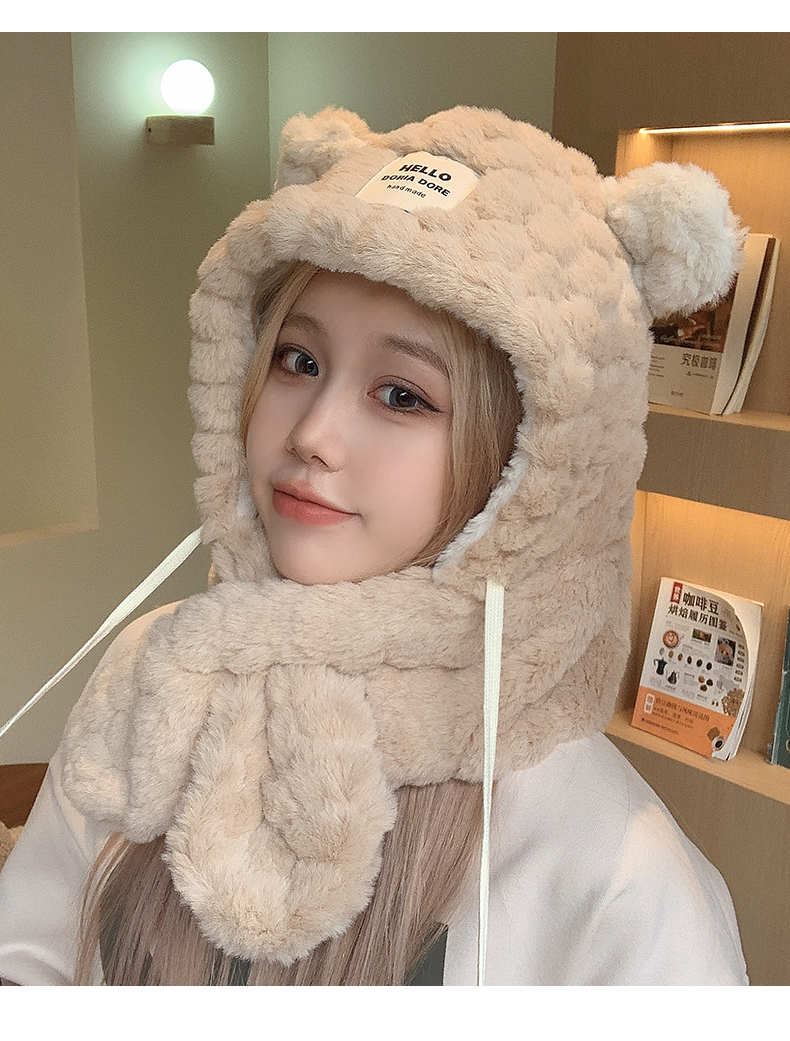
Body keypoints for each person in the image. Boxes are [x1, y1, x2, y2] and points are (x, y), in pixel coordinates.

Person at [0, 106, 749, 985]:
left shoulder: (616, 872)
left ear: (533, 462)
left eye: (402, 396)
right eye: (298, 360)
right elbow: (29, 957)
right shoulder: (157, 673)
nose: (312, 434)